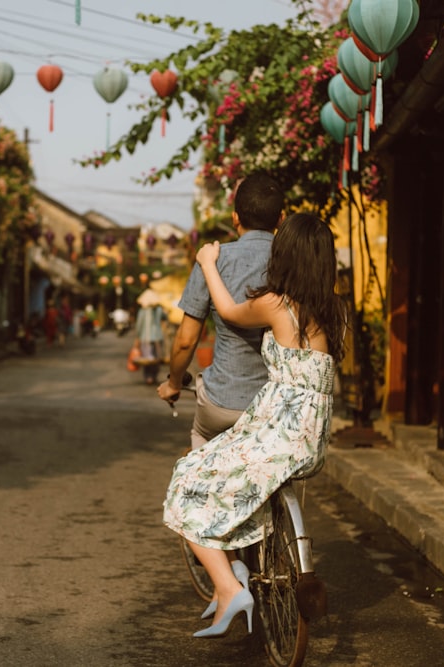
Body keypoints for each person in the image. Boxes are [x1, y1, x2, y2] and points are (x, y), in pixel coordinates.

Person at [162, 212, 347, 638]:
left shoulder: (276, 303)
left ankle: (228, 587)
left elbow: (226, 310)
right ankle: (245, 561)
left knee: (187, 482)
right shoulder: (332, 309)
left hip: (277, 429)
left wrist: (208, 261)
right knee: (234, 480)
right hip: (310, 438)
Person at [156, 172, 284, 449]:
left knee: (202, 450)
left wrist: (174, 383)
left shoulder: (212, 259)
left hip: (222, 401)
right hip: (274, 407)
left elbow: (187, 340)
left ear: (235, 218)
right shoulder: (294, 261)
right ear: (281, 219)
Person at [132, 289, 166, 385]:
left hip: (145, 337)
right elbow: (166, 318)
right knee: (156, 358)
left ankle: (148, 377)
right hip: (158, 337)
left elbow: (139, 325)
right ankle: (154, 376)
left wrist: (137, 337)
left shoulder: (142, 311)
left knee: (147, 358)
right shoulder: (159, 310)